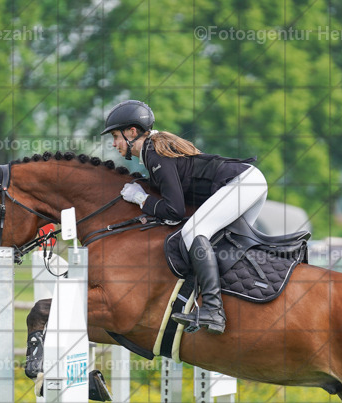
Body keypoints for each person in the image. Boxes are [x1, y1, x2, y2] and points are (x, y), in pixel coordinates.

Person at [102, 99, 267, 334]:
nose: (114, 144)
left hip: (243, 184)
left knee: (193, 233)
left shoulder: (154, 153)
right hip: (249, 182)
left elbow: (174, 211)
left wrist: (140, 200)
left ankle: (213, 310)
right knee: (224, 244)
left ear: (132, 132)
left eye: (116, 137)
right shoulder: (154, 151)